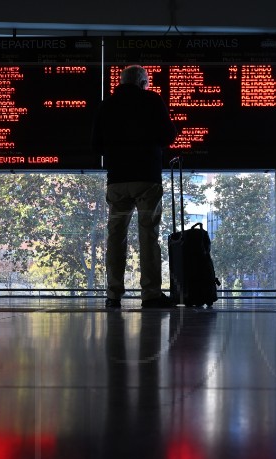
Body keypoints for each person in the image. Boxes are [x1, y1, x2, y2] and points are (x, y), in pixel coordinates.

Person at [92, 65, 178, 309]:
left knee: (116, 236)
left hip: (117, 181)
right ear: (142, 82)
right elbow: (169, 135)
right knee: (148, 235)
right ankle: (150, 294)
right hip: (146, 180)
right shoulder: (152, 100)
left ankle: (113, 295)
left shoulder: (106, 105)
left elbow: (95, 144)